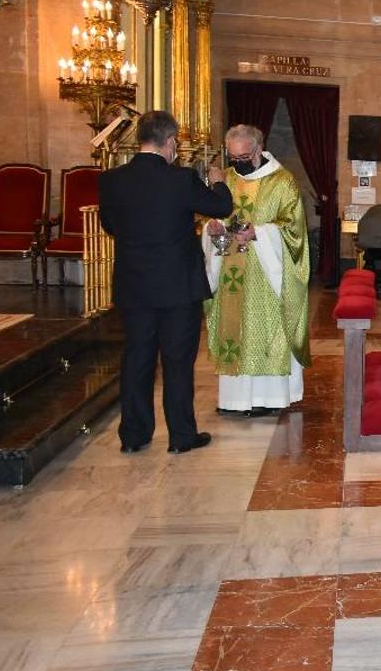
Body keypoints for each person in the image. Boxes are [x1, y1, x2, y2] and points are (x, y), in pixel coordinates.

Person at [99, 111, 232, 453]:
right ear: (171, 142)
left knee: (137, 358)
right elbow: (221, 206)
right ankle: (181, 436)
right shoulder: (181, 179)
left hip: (134, 284)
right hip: (177, 287)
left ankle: (133, 436)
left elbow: (110, 226)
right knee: (176, 362)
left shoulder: (112, 180)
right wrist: (218, 180)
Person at [203, 124, 312, 418]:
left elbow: (295, 231)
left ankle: (269, 398)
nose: (237, 163)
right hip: (231, 273)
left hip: (267, 275)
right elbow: (214, 220)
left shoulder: (283, 182)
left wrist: (259, 234)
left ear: (258, 148)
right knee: (233, 332)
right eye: (232, 156)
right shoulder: (224, 180)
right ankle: (235, 400)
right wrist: (211, 229)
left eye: (243, 156)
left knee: (264, 333)